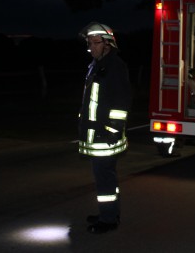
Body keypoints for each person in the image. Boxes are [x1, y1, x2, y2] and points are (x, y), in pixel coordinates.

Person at [77, 22, 132, 234]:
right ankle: (109, 213)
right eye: (89, 43)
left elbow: (121, 101)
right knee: (106, 177)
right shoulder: (96, 65)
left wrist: (112, 129)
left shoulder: (114, 66)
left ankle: (108, 220)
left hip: (105, 135)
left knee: (104, 178)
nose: (91, 46)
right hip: (96, 133)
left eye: (95, 42)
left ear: (108, 44)